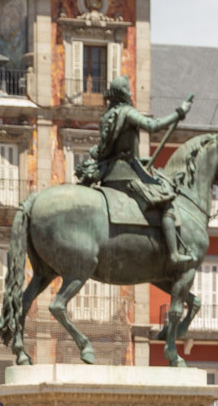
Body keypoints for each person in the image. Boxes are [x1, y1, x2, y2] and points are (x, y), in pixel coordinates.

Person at [76, 75, 195, 265]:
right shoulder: (128, 113)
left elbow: (110, 151)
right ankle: (174, 254)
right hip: (128, 176)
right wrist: (179, 113)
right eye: (129, 90)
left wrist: (139, 160)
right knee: (165, 202)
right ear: (124, 94)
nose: (131, 93)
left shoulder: (106, 117)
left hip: (109, 176)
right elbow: (153, 126)